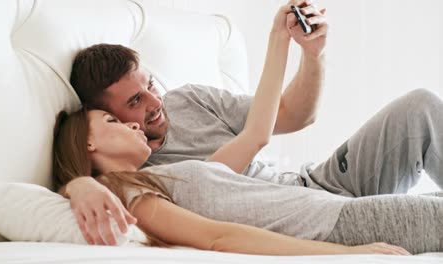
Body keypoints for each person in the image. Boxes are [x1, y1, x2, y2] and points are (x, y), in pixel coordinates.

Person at [62, 0, 443, 248]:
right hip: (317, 218)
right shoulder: (159, 181)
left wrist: (313, 56)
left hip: (315, 187)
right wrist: (78, 184)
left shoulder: (188, 106)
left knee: (420, 107)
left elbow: (291, 116)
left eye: (149, 85)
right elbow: (219, 231)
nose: (154, 102)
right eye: (131, 104)